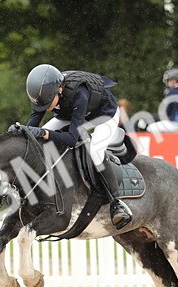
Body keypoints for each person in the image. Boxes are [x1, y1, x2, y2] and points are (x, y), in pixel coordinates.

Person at [21, 64, 133, 229]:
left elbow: (73, 138)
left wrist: (45, 134)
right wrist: (22, 133)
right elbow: (31, 131)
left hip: (104, 115)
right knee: (38, 137)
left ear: (59, 89)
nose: (44, 108)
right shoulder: (45, 94)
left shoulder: (79, 93)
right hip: (73, 114)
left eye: (46, 104)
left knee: (95, 151)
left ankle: (116, 202)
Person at [146, 68, 178, 134]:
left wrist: (154, 117)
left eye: (169, 80)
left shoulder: (172, 92)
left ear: (174, 80)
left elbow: (166, 112)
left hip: (177, 123)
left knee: (150, 128)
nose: (168, 83)